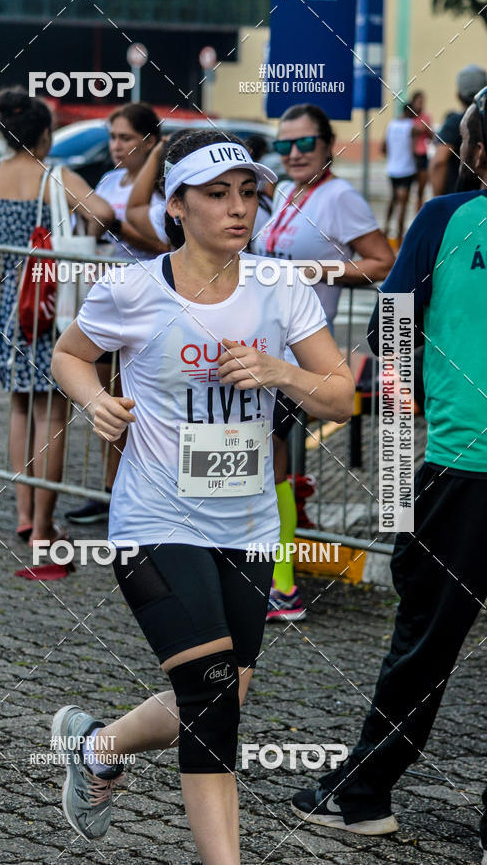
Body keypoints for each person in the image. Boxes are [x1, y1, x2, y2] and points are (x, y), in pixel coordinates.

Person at [50, 129, 355, 862]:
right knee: (215, 703)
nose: (238, 208)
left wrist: (280, 372)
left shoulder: (280, 287)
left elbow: (340, 397)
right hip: (155, 518)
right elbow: (69, 355)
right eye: (217, 195)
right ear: (177, 206)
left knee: (222, 694)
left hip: (247, 526)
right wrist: (95, 401)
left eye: (248, 193)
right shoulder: (132, 288)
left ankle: (96, 747)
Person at [291, 89, 487, 860]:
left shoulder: (445, 219)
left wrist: (422, 418)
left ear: (474, 152)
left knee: (425, 641)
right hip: (461, 462)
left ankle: (365, 792)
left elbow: (391, 331)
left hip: (463, 466)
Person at [0, 87, 113, 570]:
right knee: (51, 414)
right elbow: (103, 213)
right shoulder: (56, 176)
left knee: (19, 406)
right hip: (49, 302)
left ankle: (21, 513)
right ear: (45, 135)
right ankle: (42, 526)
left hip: (5, 301)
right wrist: (81, 238)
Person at [253, 103, 393, 620]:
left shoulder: (340, 197)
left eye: (304, 143)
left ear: (328, 145)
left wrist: (319, 269)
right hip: (262, 347)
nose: (293, 153)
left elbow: (383, 261)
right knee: (261, 460)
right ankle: (265, 571)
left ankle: (283, 587)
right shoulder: (285, 192)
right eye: (283, 144)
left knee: (273, 462)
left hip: (302, 353)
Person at [66, 102, 169, 526]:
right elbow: (95, 227)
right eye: (112, 137)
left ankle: (134, 492)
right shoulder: (109, 180)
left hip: (146, 307)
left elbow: (165, 247)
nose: (116, 145)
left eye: (126, 138)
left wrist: (115, 227)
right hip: (107, 302)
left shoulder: (163, 192)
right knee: (109, 404)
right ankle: (111, 489)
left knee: (136, 407)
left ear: (150, 142)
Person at [430, 63, 487, 196]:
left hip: (459, 199)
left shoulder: (455, 121)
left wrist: (438, 201)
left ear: (458, 95)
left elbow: (439, 161)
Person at [383, 104, 419, 247]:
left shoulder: (390, 125)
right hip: (407, 169)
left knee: (393, 200)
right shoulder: (411, 126)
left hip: (392, 169)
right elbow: (418, 145)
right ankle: (399, 237)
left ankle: (385, 229)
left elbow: (383, 148)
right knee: (403, 204)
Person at [409, 90, 433, 210]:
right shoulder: (408, 117)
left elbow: (430, 135)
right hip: (411, 156)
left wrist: (427, 129)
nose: (421, 105)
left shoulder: (426, 117)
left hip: (422, 154)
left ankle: (418, 212)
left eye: (422, 102)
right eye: (419, 102)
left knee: (421, 189)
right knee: (406, 190)